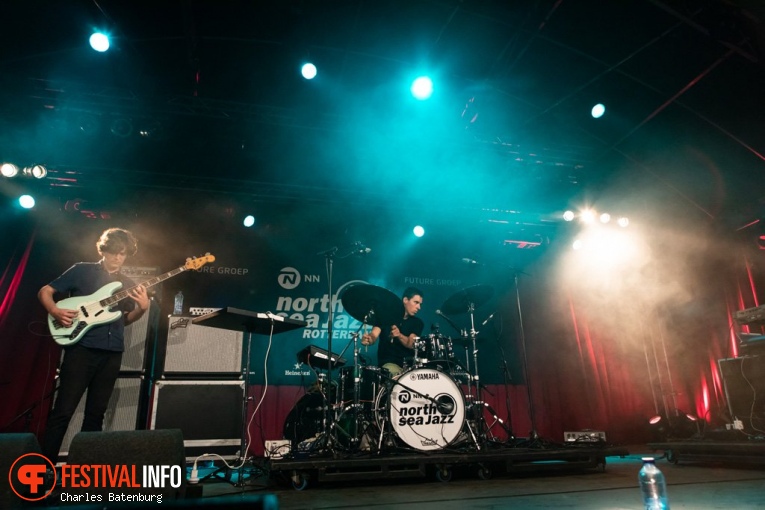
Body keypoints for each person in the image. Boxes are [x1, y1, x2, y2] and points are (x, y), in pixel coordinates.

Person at [38, 227, 150, 464]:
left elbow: (125, 320)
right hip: (82, 349)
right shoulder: (82, 270)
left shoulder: (127, 284)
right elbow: (45, 291)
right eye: (115, 252)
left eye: (123, 254)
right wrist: (55, 310)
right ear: (105, 250)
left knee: (95, 415)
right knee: (63, 412)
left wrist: (141, 309)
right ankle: (44, 469)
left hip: (111, 353)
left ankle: (83, 471)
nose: (119, 258)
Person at [361, 287, 424, 377]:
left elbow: (411, 344)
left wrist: (399, 335)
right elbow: (374, 335)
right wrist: (368, 339)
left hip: (410, 366)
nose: (419, 307)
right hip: (389, 364)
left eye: (420, 304)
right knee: (395, 375)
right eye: (416, 302)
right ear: (406, 300)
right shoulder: (385, 317)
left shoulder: (418, 323)